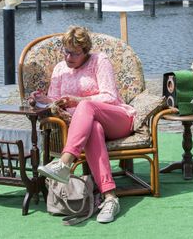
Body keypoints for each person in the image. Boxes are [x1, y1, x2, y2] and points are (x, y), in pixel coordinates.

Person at [32, 26, 136, 223]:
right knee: (93, 128)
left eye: (74, 53)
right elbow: (55, 101)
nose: (68, 57)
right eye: (66, 51)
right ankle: (110, 197)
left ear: (85, 51)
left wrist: (78, 100)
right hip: (88, 127)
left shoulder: (99, 61)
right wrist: (41, 99)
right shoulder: (60, 69)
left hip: (117, 119)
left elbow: (110, 97)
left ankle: (64, 163)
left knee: (86, 106)